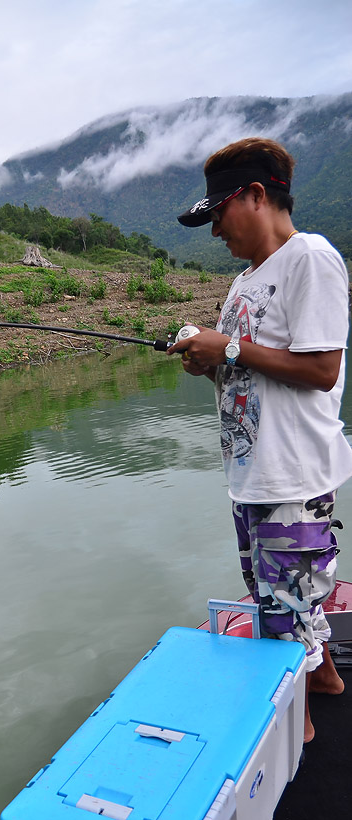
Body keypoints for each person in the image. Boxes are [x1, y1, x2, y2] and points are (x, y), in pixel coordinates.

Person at [169, 137, 352, 742]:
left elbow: (322, 368)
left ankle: (294, 740)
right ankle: (323, 677)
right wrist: (210, 362)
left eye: (220, 212)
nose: (215, 228)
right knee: (276, 597)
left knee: (283, 613)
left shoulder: (311, 259)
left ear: (255, 195)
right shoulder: (244, 281)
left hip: (293, 476)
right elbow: (244, 367)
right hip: (252, 473)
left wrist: (226, 347)